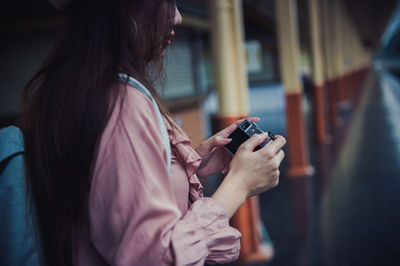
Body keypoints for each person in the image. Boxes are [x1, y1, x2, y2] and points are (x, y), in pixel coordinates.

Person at [21, 0, 286, 265]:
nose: (177, 17)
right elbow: (154, 258)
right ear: (123, 8)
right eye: (167, 3)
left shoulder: (67, 92)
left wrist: (189, 162)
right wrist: (239, 185)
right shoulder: (122, 104)